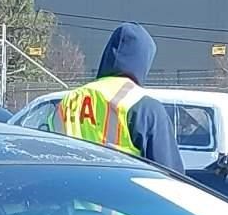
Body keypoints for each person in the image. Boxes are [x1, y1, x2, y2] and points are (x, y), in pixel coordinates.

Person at [53, 23, 184, 173]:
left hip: (70, 192)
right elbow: (171, 176)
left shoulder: (68, 100)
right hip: (121, 194)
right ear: (143, 61)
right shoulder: (144, 106)